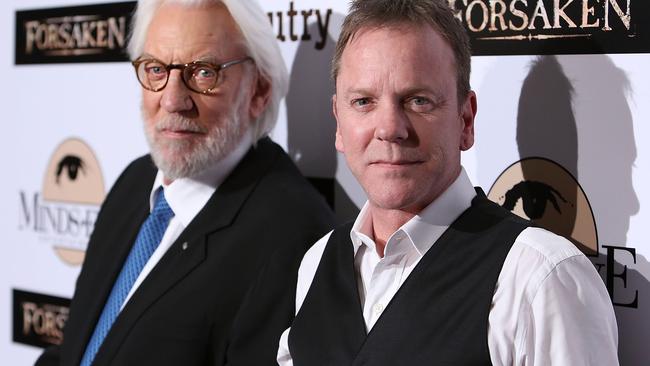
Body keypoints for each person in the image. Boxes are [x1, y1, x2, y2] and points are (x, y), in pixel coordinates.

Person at [277, 0, 619, 365]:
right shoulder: (318, 262)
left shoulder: (539, 280)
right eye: (363, 101)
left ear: (466, 119)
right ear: (338, 124)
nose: (390, 129)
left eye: (419, 101)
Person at [35, 0, 335, 365]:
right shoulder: (135, 181)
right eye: (156, 69)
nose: (173, 100)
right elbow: (75, 352)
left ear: (259, 91)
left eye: (204, 73)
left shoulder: (292, 235)